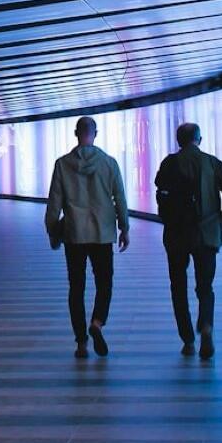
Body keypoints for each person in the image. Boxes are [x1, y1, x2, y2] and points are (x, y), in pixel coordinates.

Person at [154, 122, 222, 359]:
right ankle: (206, 326)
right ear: (199, 140)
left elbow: (160, 188)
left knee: (178, 287)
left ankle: (188, 340)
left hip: (176, 234)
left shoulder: (169, 163)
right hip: (206, 234)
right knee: (205, 286)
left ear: (179, 141)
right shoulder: (212, 163)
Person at [45, 117, 129, 357]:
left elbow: (54, 203)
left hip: (74, 234)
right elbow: (120, 199)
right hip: (102, 234)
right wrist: (124, 227)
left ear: (75, 133)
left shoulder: (62, 164)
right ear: (96, 133)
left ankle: (81, 343)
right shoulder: (109, 163)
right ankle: (97, 322)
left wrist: (53, 231)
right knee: (104, 282)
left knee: (76, 288)